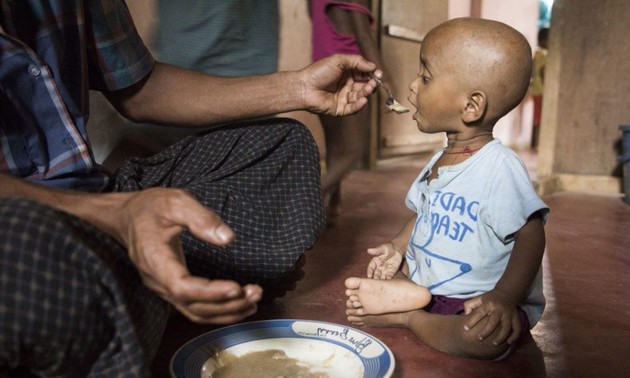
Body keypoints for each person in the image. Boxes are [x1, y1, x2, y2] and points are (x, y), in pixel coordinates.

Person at [0, 1, 380, 376]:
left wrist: (298, 88)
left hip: (97, 193)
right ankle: (142, 279)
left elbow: (142, 90)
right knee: (29, 244)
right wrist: (116, 215)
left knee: (283, 147)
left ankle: (134, 277)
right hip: (20, 217)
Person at [344, 17, 549, 360]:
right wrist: (397, 247)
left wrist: (504, 297)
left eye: (425, 78)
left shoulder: (499, 167)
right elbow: (425, 214)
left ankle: (408, 315)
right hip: (432, 282)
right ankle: (414, 294)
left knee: (481, 339)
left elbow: (531, 235)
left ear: (471, 106)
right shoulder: (440, 158)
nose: (411, 87)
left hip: (477, 299)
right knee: (403, 271)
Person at [309, 0, 393, 216]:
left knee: (335, 147)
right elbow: (363, 36)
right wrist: (386, 82)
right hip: (348, 75)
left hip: (320, 71)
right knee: (355, 149)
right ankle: (302, 203)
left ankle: (331, 207)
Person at [529, 27, 549, 150]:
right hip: (542, 91)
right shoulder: (544, 54)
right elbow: (543, 72)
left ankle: (535, 143)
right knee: (541, 118)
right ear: (543, 41)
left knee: (537, 118)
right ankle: (539, 144)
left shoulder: (536, 54)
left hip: (536, 90)